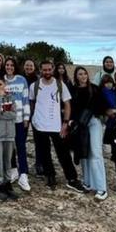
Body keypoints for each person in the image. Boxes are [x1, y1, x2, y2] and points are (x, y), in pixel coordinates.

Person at [29, 60, 84, 192]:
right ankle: (50, 175)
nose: (47, 72)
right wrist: (33, 119)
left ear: (53, 69)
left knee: (63, 153)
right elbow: (32, 102)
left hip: (56, 125)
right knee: (44, 152)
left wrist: (65, 123)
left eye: (49, 69)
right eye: (44, 70)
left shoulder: (60, 85)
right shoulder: (34, 86)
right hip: (39, 125)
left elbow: (67, 104)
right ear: (40, 70)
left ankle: (72, 179)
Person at [72, 67, 108, 200]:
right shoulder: (74, 90)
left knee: (95, 153)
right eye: (80, 74)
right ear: (76, 76)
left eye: (84, 73)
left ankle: (101, 188)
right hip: (80, 124)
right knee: (84, 154)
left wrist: (93, 111)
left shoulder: (94, 88)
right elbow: (72, 108)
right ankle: (87, 183)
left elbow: (102, 106)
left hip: (93, 122)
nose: (83, 76)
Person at [0, 75, 18, 201]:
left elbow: (13, 115)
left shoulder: (11, 97)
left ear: (4, 84)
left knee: (7, 160)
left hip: (9, 134)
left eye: (0, 84)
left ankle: (7, 183)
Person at [3, 57, 31, 191]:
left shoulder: (21, 80)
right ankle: (13, 169)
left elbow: (25, 100)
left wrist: (26, 118)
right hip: (7, 120)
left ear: (15, 67)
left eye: (11, 65)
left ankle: (24, 174)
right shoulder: (1, 80)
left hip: (20, 119)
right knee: (10, 146)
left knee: (21, 146)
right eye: (7, 65)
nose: (9, 67)